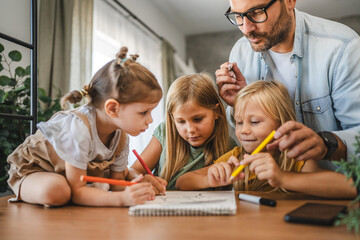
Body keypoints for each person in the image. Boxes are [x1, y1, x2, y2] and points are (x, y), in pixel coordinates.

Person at [7, 48, 163, 207]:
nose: (150, 120)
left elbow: (117, 184)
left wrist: (138, 189)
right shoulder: (79, 128)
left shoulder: (122, 136)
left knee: (92, 186)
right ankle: (24, 186)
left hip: (70, 177)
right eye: (144, 112)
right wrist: (122, 199)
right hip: (36, 170)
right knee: (57, 191)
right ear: (113, 109)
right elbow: (78, 192)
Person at [215, 0, 360, 167]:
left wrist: (326, 144)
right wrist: (240, 104)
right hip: (273, 189)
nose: (246, 29)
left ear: (289, 2)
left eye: (257, 12)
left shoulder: (343, 48)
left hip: (334, 188)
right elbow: (246, 131)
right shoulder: (241, 52)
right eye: (238, 16)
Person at [177, 81, 356, 198]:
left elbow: (349, 187)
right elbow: (182, 182)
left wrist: (283, 177)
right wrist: (210, 179)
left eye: (254, 122)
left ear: (281, 123)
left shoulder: (293, 157)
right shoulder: (238, 157)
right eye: (238, 123)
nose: (243, 131)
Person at [129, 73, 237, 190]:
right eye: (181, 121)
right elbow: (132, 172)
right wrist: (140, 179)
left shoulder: (229, 147)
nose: (190, 130)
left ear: (216, 111)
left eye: (197, 119)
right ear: (172, 118)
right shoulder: (165, 133)